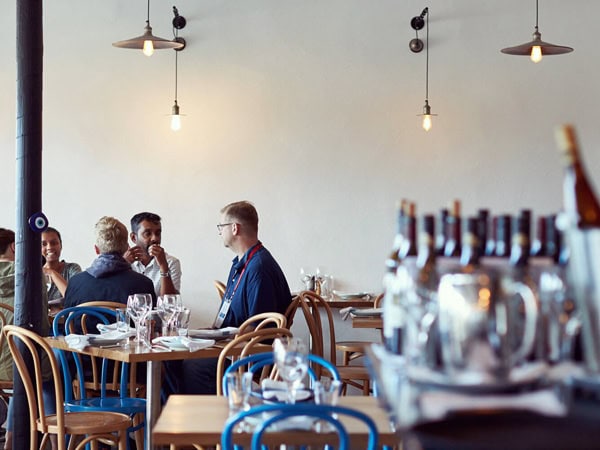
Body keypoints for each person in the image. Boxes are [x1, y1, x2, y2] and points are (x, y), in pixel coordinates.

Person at [178, 201, 292, 394]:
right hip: (229, 344)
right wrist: (211, 333)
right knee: (171, 362)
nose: (219, 232)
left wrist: (222, 336)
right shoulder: (240, 263)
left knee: (192, 366)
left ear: (234, 228)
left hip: (246, 354)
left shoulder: (260, 268)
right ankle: (171, 421)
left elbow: (262, 330)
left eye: (221, 227)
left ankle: (212, 421)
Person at [1, 228, 53, 450]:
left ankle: (12, 442)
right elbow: (40, 322)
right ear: (15, 247)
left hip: (2, 362)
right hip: (25, 360)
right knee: (52, 372)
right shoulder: (32, 273)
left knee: (20, 376)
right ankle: (58, 440)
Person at [64, 216, 156, 308]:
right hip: (125, 323)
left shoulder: (74, 283)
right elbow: (150, 321)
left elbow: (67, 319)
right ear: (126, 247)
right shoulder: (143, 284)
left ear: (96, 249)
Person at [124, 212, 181, 298]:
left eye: (158, 233)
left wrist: (163, 266)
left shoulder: (171, 262)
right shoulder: (126, 262)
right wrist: (123, 265)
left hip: (159, 312)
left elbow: (169, 304)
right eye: (148, 234)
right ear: (133, 238)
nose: (155, 238)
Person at [41, 227, 82, 301]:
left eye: (54, 243)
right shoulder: (34, 274)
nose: (49, 247)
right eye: (43, 244)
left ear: (61, 246)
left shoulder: (72, 269)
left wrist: (51, 273)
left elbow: (74, 299)